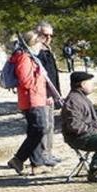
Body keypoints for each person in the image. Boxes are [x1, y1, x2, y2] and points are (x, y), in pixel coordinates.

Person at [7, 31, 49, 175]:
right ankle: (18, 159)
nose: (42, 45)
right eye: (40, 42)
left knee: (35, 131)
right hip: (32, 100)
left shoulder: (29, 57)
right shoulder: (24, 58)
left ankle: (36, 165)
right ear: (33, 43)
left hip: (35, 99)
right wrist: (40, 74)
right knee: (39, 130)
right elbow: (25, 81)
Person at [32, 20, 62, 167]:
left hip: (50, 95)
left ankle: (48, 153)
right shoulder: (36, 52)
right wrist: (48, 95)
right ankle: (43, 156)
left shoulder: (46, 49)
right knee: (45, 126)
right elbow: (41, 77)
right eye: (45, 35)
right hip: (43, 96)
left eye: (51, 35)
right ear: (37, 34)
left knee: (50, 125)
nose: (49, 38)